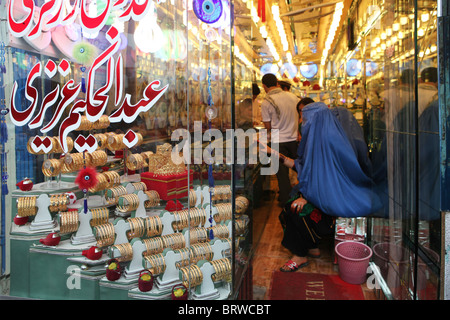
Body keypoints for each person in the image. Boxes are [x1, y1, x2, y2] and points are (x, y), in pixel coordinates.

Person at [259, 102, 381, 271]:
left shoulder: (329, 142)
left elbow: (327, 180)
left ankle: (300, 255)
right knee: (292, 204)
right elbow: (301, 167)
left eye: (305, 117)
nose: (302, 121)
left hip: (338, 199)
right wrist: (271, 152)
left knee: (295, 209)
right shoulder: (319, 139)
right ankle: (312, 246)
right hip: (325, 195)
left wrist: (307, 196)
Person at [260, 73, 299, 206]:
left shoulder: (267, 102)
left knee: (282, 175)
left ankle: (286, 202)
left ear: (264, 86)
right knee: (300, 169)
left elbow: (268, 127)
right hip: (294, 139)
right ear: (277, 83)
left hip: (277, 141)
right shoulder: (293, 97)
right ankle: (304, 197)